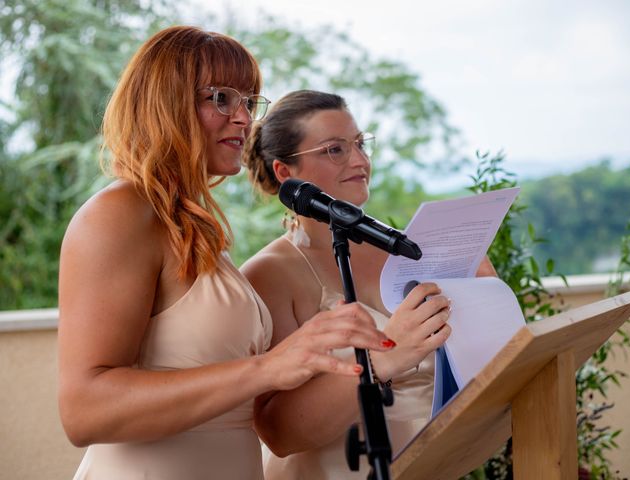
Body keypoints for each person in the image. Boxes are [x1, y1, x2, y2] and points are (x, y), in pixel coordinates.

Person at [57, 28, 397, 480]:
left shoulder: (194, 228)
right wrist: (268, 368)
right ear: (164, 102)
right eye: (220, 98)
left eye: (249, 102)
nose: (243, 118)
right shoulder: (119, 212)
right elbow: (84, 410)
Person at [242, 89, 497, 479]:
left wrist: (485, 305)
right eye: (334, 150)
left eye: (360, 144)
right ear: (284, 173)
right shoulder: (269, 274)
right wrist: (385, 358)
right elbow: (278, 432)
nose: (360, 161)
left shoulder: (410, 247)